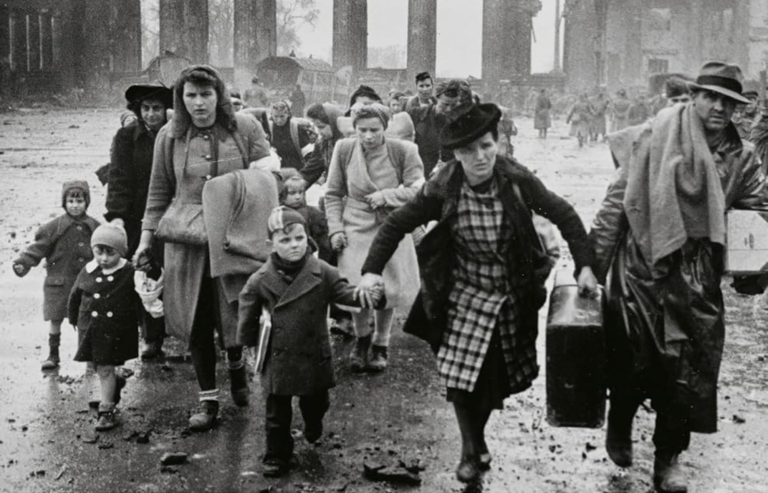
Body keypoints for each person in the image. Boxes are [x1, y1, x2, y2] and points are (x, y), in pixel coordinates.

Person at [356, 103, 598, 483]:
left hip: (510, 293)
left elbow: (563, 213)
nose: (480, 157)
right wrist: (371, 271)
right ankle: (471, 449)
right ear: (456, 155)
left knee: (490, 378)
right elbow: (397, 225)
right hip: (460, 292)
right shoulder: (444, 186)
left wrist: (586, 265)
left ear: (497, 143)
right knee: (457, 372)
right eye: (469, 151)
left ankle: (477, 437)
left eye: (486, 146)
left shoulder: (517, 181)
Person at [591, 62, 766, 493]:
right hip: (642, 266)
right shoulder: (654, 135)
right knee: (633, 356)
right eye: (712, 98)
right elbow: (619, 202)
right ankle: (621, 420)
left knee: (689, 369)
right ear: (694, 97)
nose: (720, 108)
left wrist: (755, 264)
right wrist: (590, 264)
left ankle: (668, 459)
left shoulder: (741, 156)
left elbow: (758, 209)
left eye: (729, 102)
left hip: (698, 274)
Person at [137, 65, 273, 431]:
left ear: (220, 95)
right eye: (191, 95)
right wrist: (146, 242)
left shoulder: (244, 128)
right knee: (196, 319)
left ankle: (235, 364)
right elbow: (158, 192)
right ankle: (208, 401)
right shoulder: (169, 135)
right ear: (181, 99)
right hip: (186, 242)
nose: (199, 103)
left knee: (231, 312)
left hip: (234, 237)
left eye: (206, 94)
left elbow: (267, 181)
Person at [237, 206, 383, 477]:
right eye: (285, 240)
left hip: (312, 352)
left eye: (299, 238)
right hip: (277, 356)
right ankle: (277, 455)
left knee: (316, 402)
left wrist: (367, 296)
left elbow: (344, 292)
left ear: (308, 238)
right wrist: (247, 343)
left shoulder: (322, 271)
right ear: (271, 244)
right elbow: (248, 309)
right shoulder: (260, 279)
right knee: (276, 414)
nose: (294, 245)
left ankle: (313, 423)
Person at [325, 104, 424, 372]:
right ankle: (362, 339)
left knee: (387, 288)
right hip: (354, 226)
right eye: (362, 130)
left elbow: (419, 189)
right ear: (354, 129)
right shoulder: (344, 149)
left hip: (390, 226)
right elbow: (332, 193)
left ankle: (381, 343)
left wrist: (388, 196)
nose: (368, 136)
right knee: (355, 286)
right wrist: (335, 228)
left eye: (374, 130)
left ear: (385, 127)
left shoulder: (402, 150)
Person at [106, 83, 173, 360]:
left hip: (171, 212)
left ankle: (175, 326)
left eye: (156, 108)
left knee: (173, 270)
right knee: (144, 271)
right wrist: (118, 217)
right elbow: (118, 177)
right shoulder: (125, 137)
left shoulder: (174, 134)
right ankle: (151, 336)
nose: (151, 114)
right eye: (145, 108)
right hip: (137, 216)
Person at [13, 181, 100, 371]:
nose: (75, 205)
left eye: (80, 201)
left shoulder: (95, 227)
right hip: (59, 283)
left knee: (86, 318)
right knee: (55, 319)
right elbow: (38, 248)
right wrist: (23, 262)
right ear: (64, 202)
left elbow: (104, 250)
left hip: (87, 283)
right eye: (70, 201)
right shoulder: (54, 227)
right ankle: (53, 355)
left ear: (87, 202)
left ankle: (89, 355)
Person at [68, 224, 140, 431]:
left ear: (121, 252)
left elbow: (142, 295)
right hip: (90, 326)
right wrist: (73, 318)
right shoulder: (88, 270)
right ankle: (115, 383)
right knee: (99, 366)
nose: (104, 258)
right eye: (99, 252)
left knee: (105, 366)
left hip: (115, 328)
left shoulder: (127, 271)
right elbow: (75, 295)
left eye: (111, 253)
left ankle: (106, 411)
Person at [409, 79, 474, 178]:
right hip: (418, 178)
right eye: (445, 104)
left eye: (454, 106)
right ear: (437, 98)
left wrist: (452, 166)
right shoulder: (415, 115)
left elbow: (469, 154)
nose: (449, 109)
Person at [279, 169, 331, 262]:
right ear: (282, 194)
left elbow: (325, 245)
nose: (298, 197)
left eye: (301, 192)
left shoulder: (313, 214)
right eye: (292, 193)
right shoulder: (277, 214)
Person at [300, 103, 345, 187]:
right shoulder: (322, 143)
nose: (319, 131)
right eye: (317, 127)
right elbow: (311, 171)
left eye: (322, 127)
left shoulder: (348, 143)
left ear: (333, 122)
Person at [268, 100, 314, 170]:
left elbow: (309, 154)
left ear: (288, 114)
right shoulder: (269, 130)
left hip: (296, 171)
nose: (279, 120)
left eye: (282, 116)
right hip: (275, 171)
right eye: (276, 116)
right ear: (271, 115)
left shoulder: (297, 129)